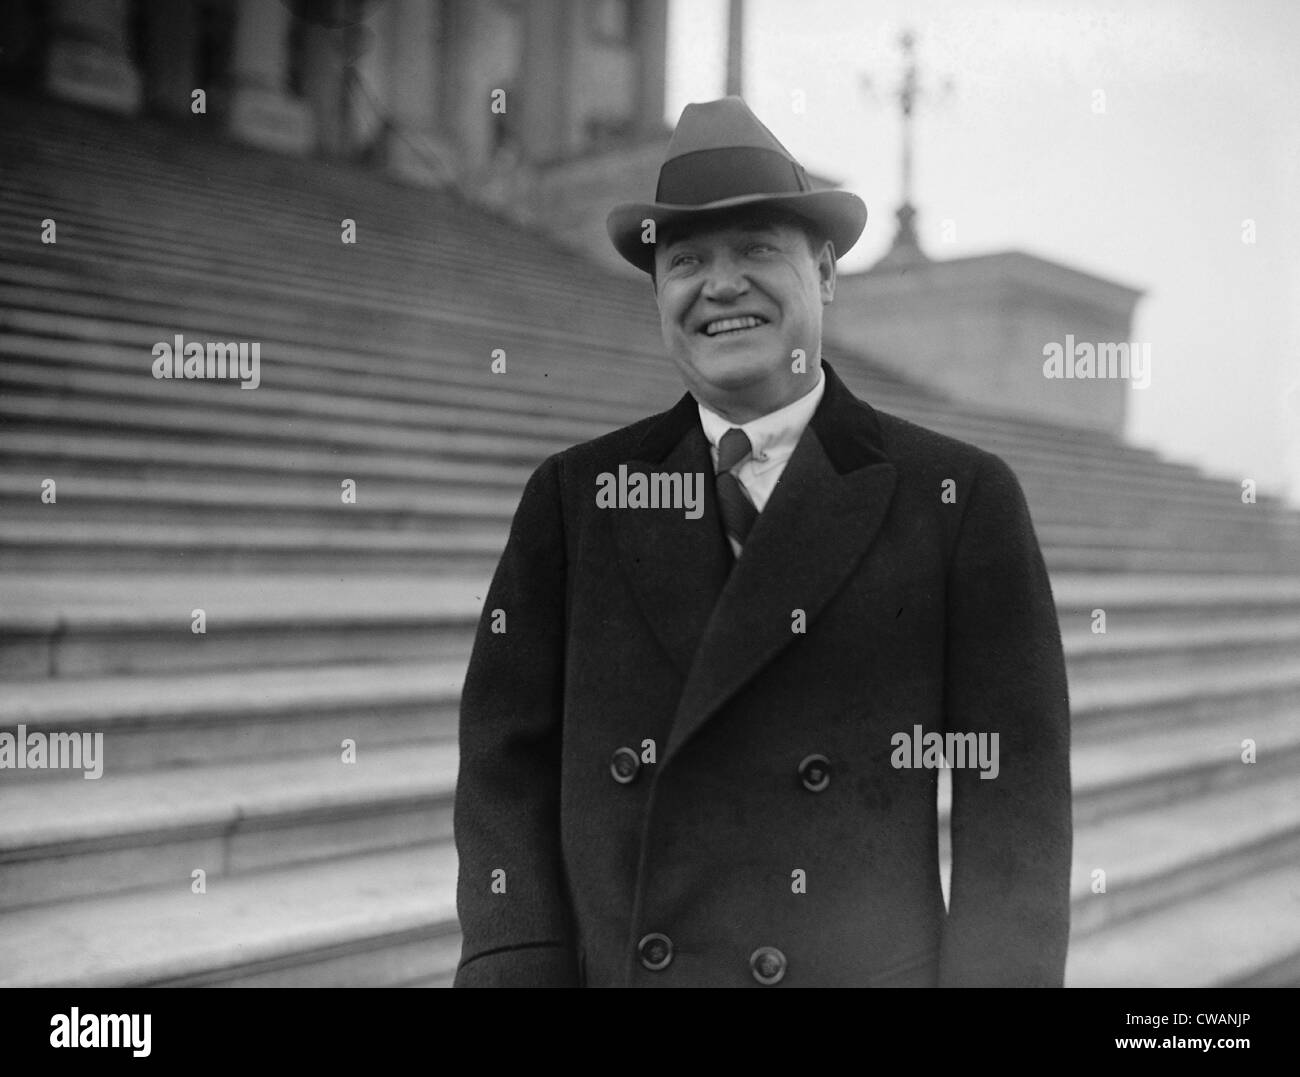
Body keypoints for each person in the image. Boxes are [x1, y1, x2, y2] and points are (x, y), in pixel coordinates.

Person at [452, 96, 1072, 988]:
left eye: (756, 251)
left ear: (824, 272)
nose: (722, 284)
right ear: (658, 289)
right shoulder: (574, 498)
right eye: (689, 260)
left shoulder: (960, 498)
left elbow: (1015, 807)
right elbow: (503, 769)